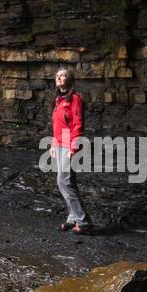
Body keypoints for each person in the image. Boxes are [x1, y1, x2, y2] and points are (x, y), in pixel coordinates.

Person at [52, 66, 92, 235]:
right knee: (68, 182)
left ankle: (83, 221)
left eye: (63, 75)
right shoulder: (58, 99)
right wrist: (54, 143)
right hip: (60, 143)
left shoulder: (75, 98)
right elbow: (58, 124)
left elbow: (77, 123)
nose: (59, 78)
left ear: (69, 80)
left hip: (69, 145)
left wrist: (73, 147)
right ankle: (72, 218)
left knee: (64, 182)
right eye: (57, 76)